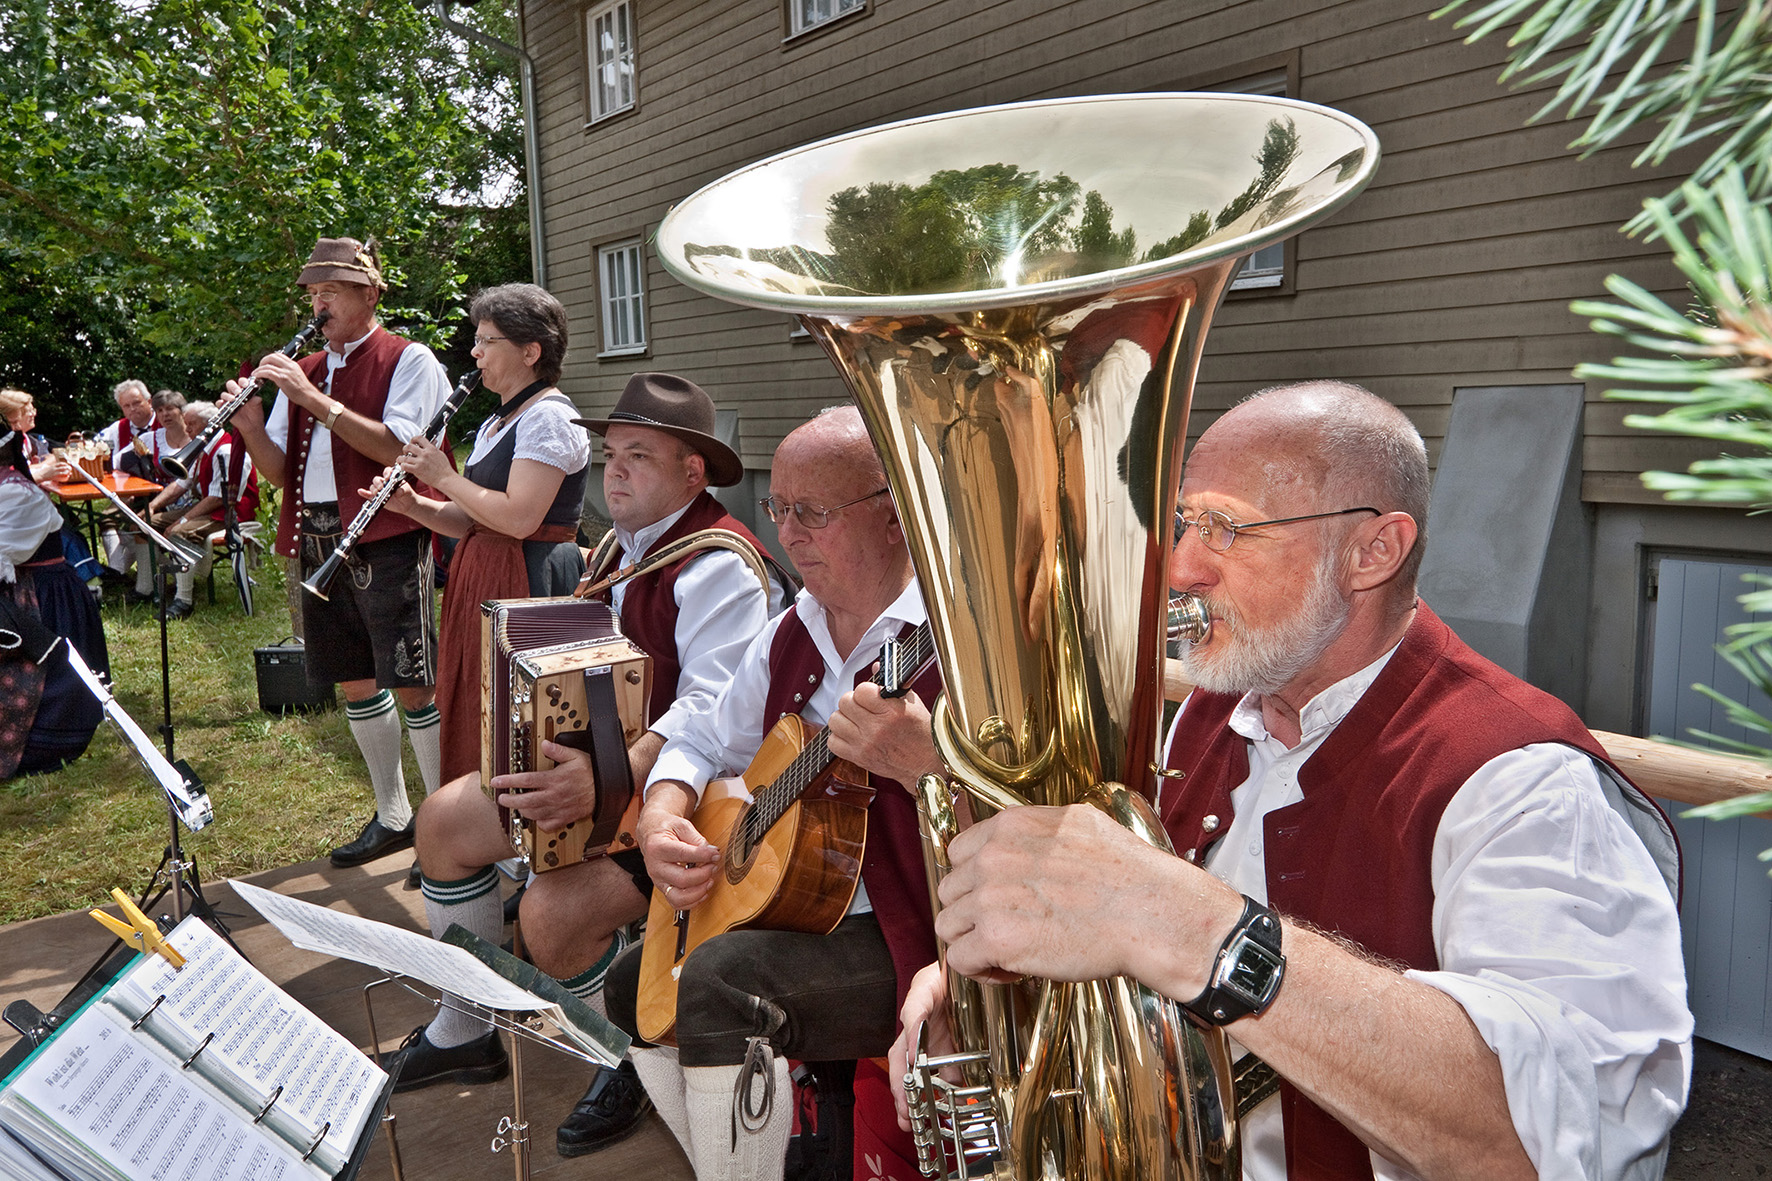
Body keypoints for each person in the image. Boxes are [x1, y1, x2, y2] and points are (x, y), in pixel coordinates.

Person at [889, 380, 1692, 1181]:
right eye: (1184, 523)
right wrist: (999, 992)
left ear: (1373, 551)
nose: (1180, 567)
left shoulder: (1527, 782)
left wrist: (1182, 920)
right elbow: (1139, 977)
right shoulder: (1206, 717)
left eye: (1228, 529)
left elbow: (1553, 1133)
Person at [382, 372, 788, 1160]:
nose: (617, 470)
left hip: (699, 803)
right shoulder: (618, 548)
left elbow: (714, 720)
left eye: (640, 455)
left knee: (550, 916)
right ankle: (468, 1029)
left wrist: (608, 777)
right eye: (613, 453)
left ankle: (630, 1055)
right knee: (441, 822)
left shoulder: (718, 566)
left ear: (692, 473)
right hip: (610, 779)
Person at [596, 405, 944, 1181]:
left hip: (921, 938)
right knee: (635, 986)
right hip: (807, 917)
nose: (787, 534)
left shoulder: (949, 640)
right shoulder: (793, 627)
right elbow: (698, 737)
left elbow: (1042, 812)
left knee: (718, 984)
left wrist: (931, 767)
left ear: (894, 516)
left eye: (812, 513)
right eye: (778, 508)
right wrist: (660, 817)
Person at [229, 236, 451, 867]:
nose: (317, 304)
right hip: (318, 533)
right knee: (355, 681)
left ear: (369, 294)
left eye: (330, 291)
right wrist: (248, 426)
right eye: (312, 293)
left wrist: (312, 398)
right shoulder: (309, 370)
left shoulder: (411, 360)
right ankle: (393, 813)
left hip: (387, 531)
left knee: (412, 681)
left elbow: (400, 449)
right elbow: (279, 472)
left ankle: (441, 827)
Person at [378, 283, 588, 783]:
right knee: (477, 703)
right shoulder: (499, 419)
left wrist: (443, 476)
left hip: (530, 580)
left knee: (521, 716)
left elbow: (519, 519)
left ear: (530, 352)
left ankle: (521, 845)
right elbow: (474, 519)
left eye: (488, 341)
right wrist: (414, 505)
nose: (475, 352)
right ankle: (480, 833)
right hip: (484, 571)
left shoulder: (550, 417)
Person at [0, 402, 108, 776]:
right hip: (17, 596)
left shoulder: (17, 493)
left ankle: (44, 736)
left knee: (49, 683)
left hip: (44, 601)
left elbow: (3, 554)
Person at [136, 402, 258, 620]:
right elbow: (181, 484)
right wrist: (152, 506)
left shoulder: (226, 450)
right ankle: (149, 585)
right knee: (142, 525)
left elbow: (217, 499)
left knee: (178, 533)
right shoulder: (202, 448)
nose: (187, 429)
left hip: (232, 512)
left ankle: (183, 600)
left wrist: (182, 520)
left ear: (209, 424)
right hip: (211, 507)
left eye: (191, 424)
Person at [123, 390, 193, 609]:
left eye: (170, 409)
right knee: (134, 524)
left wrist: (153, 506)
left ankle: (163, 581)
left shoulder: (195, 440)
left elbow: (184, 484)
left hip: (192, 501)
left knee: (145, 524)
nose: (165, 415)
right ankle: (147, 583)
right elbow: (119, 460)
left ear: (182, 411)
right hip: (160, 498)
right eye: (160, 410)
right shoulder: (151, 439)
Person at [94, 380, 157, 573]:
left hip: (163, 491)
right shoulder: (117, 429)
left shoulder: (166, 422)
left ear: (149, 401)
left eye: (137, 403)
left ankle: (125, 568)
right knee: (105, 518)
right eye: (126, 406)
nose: (132, 410)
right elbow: (95, 447)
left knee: (135, 524)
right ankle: (116, 568)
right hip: (129, 492)